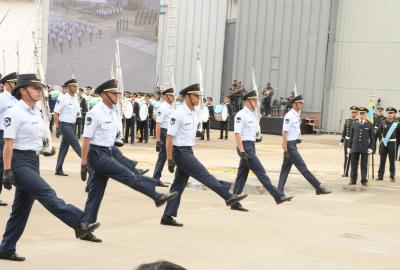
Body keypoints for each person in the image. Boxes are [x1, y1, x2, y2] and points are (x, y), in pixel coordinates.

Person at [0, 74, 99, 262]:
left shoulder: (35, 111)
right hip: (19, 162)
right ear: (22, 90)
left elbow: (40, 134)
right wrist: (6, 171)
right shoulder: (14, 112)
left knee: (21, 209)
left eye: (40, 88)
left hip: (33, 161)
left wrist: (46, 147)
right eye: (35, 88)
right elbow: (8, 144)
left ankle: (6, 247)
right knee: (47, 193)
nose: (39, 91)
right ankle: (80, 222)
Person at [80, 79, 177, 242]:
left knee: (96, 192)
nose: (116, 96)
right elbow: (86, 139)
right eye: (113, 93)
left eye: (117, 93)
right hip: (97, 155)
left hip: (108, 151)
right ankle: (156, 196)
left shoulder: (111, 111)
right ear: (103, 95)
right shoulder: (95, 112)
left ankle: (85, 227)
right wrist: (84, 163)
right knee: (127, 175)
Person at [160, 83, 248, 227]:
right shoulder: (178, 113)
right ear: (187, 97)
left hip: (188, 150)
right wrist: (169, 159)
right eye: (196, 96)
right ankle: (228, 196)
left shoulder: (194, 112)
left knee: (177, 186)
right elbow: (169, 138)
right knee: (204, 175)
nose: (199, 98)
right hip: (180, 152)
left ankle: (167, 216)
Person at [231, 91, 292, 212]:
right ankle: (278, 196)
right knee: (261, 172)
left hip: (251, 145)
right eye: (254, 100)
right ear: (247, 101)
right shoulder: (241, 114)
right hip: (245, 146)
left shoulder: (253, 114)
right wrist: (242, 151)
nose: (256, 103)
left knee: (242, 174)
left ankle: (234, 201)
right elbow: (237, 134)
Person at [277, 94, 331, 194]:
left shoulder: (296, 115)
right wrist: (285, 149)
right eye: (300, 103)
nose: (302, 105)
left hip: (293, 144)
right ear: (294, 104)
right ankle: (318, 186)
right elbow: (285, 133)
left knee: (285, 169)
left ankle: (279, 191)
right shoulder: (289, 116)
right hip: (290, 146)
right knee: (303, 168)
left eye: (302, 103)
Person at [54, 79, 81, 176]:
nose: (76, 88)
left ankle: (58, 168)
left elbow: (77, 112)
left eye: (76, 86)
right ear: (69, 87)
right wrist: (57, 127)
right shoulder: (63, 98)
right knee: (77, 146)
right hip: (65, 126)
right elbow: (56, 113)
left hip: (72, 125)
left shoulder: (75, 98)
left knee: (64, 148)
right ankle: (90, 167)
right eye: (74, 86)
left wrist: (78, 119)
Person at [0, 72, 18, 207]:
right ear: (7, 84)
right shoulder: (2, 98)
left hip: (12, 135)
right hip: (2, 134)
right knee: (1, 165)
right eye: (14, 82)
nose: (16, 85)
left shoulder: (15, 99)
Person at [347, 107, 375, 186]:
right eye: (360, 113)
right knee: (353, 164)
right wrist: (349, 147)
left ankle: (364, 180)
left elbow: (372, 138)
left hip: (364, 147)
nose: (361, 115)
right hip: (354, 147)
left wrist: (371, 148)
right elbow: (351, 137)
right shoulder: (354, 124)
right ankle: (353, 180)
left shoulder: (369, 125)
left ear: (366, 114)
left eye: (363, 113)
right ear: (358, 114)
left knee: (364, 165)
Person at [153, 88, 175, 187]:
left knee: (163, 156)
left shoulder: (170, 107)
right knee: (165, 155)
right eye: (171, 96)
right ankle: (156, 178)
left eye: (173, 96)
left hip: (170, 132)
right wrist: (158, 140)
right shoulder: (163, 107)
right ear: (165, 96)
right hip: (164, 133)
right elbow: (158, 124)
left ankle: (155, 178)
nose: (173, 98)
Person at [376, 107, 399, 182]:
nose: (389, 114)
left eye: (391, 113)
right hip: (384, 143)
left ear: (394, 114)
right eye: (388, 113)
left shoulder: (397, 124)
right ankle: (380, 176)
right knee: (382, 160)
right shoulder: (383, 122)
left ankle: (392, 176)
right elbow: (377, 132)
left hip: (392, 143)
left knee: (392, 161)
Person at [340, 106, 359, 177]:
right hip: (347, 141)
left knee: (353, 158)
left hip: (354, 141)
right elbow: (344, 131)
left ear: (357, 113)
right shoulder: (347, 120)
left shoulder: (358, 121)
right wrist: (342, 140)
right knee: (346, 157)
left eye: (355, 112)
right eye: (352, 112)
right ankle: (345, 172)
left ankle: (353, 173)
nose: (353, 114)